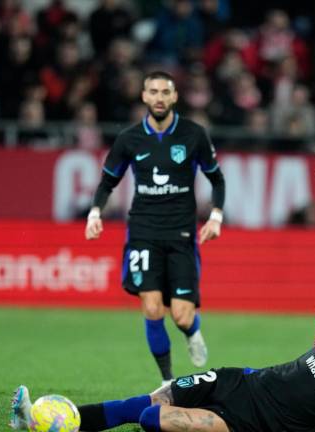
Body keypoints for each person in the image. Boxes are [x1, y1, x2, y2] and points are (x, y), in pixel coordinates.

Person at [9, 256, 315, 432]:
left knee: (155, 420)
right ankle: (42, 422)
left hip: (252, 423)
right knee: (151, 400)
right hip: (240, 381)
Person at [85, 70, 226, 385]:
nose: (159, 98)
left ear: (175, 97)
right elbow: (108, 180)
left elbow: (216, 178)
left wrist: (215, 216)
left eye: (165, 92)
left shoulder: (193, 134)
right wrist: (96, 211)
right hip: (143, 233)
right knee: (151, 308)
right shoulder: (129, 139)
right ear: (144, 96)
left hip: (181, 234)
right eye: (153, 92)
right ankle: (166, 380)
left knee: (181, 315)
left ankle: (192, 331)